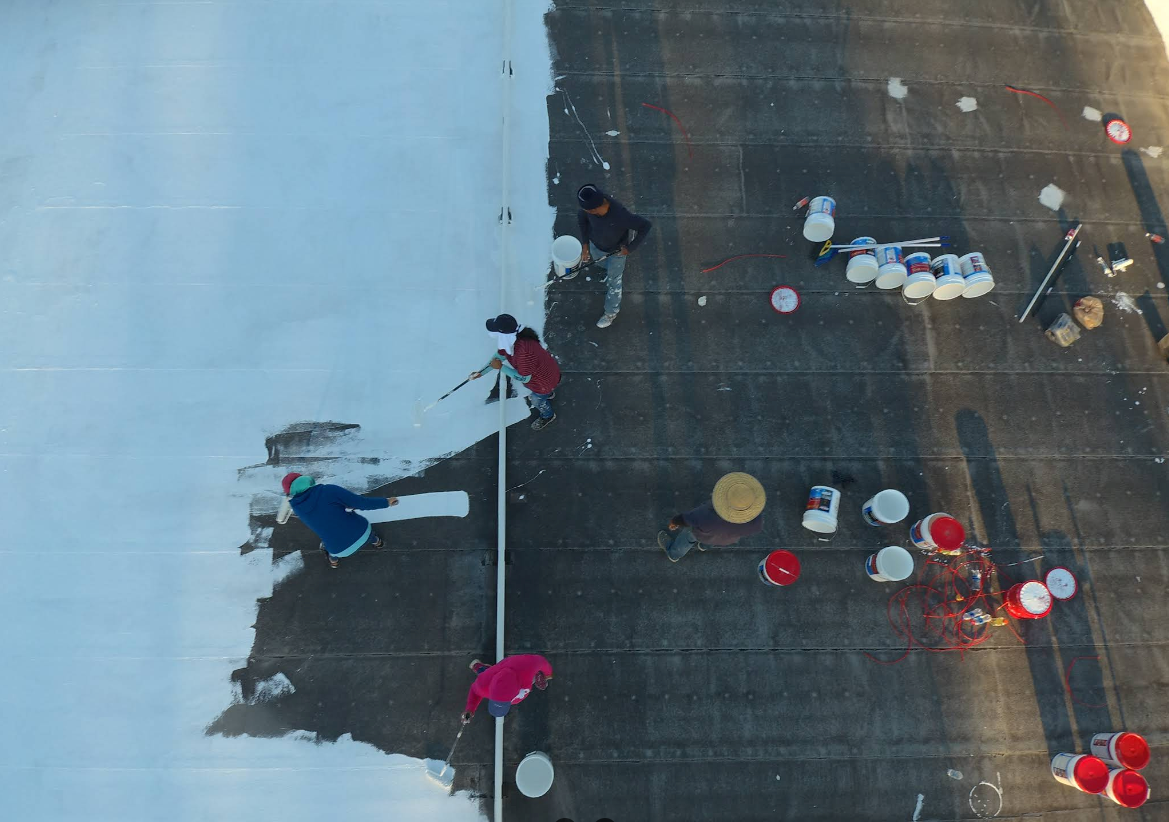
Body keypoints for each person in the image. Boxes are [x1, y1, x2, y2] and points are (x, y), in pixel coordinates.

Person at [571, 183, 653, 328]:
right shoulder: (590, 209)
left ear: (593, 209)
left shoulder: (621, 215)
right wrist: (585, 244)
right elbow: (581, 217)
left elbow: (645, 226)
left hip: (617, 253)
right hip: (595, 245)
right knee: (600, 263)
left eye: (586, 209)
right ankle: (605, 269)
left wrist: (630, 248)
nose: (584, 211)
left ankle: (611, 313)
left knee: (614, 282)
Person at [281, 472, 398, 569]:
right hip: (363, 531)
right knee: (365, 533)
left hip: (339, 550)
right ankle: (377, 542)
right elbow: (362, 503)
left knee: (328, 542)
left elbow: (323, 517)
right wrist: (386, 502)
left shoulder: (297, 509)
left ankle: (334, 562)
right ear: (306, 480)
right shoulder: (329, 491)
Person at [470, 313, 562, 431]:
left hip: (543, 383)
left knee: (537, 400)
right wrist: (481, 373)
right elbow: (497, 358)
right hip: (549, 371)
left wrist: (501, 368)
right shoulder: (514, 339)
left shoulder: (523, 352)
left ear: (503, 334)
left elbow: (524, 378)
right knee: (543, 394)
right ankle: (548, 394)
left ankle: (547, 415)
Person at [657, 472, 766, 563]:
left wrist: (674, 521)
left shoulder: (709, 516)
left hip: (707, 530)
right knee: (716, 537)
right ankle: (704, 546)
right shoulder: (756, 521)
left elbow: (688, 519)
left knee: (690, 535)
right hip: (728, 537)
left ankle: (674, 553)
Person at [461, 654, 554, 723]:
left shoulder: (529, 665)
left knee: (538, 679)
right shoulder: (483, 685)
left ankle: (536, 674)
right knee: (486, 673)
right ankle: (480, 668)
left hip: (519, 666)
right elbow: (474, 691)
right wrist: (470, 709)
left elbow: (542, 661)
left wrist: (548, 674)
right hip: (496, 671)